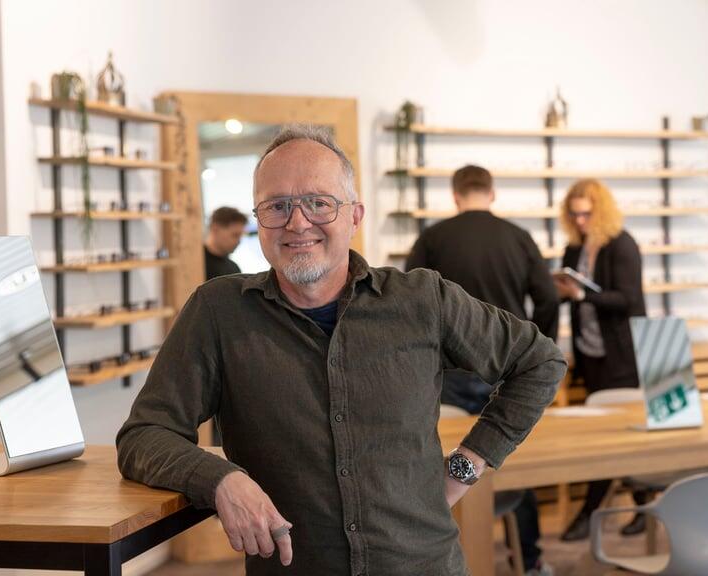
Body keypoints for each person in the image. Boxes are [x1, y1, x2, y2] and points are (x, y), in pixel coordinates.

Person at [116, 125, 566, 576]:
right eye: (277, 206)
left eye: (318, 202)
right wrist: (221, 480)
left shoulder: (422, 300)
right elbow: (144, 434)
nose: (297, 223)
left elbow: (539, 362)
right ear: (259, 219)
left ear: (354, 216)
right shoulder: (219, 313)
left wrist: (467, 465)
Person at [406, 164, 558, 576]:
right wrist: (537, 345)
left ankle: (441, 556)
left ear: (455, 196)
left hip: (449, 374)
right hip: (509, 372)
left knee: (441, 462)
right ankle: (529, 559)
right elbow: (548, 297)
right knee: (507, 458)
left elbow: (408, 302)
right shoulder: (518, 237)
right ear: (491, 194)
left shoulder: (434, 238)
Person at [554, 178, 647, 542]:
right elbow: (572, 297)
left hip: (621, 354)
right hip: (589, 352)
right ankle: (642, 506)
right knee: (608, 436)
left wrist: (582, 296)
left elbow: (628, 299)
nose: (580, 221)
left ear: (602, 211)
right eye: (574, 215)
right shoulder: (574, 248)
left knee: (615, 437)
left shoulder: (621, 245)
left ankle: (590, 513)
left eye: (586, 214)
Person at [204, 206, 248, 280]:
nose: (239, 241)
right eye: (235, 235)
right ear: (215, 229)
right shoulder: (195, 261)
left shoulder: (234, 270)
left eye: (241, 236)